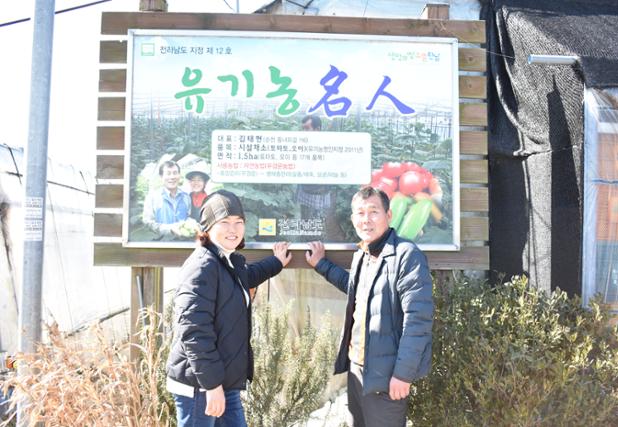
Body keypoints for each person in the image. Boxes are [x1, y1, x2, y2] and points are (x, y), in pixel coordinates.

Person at [305, 186, 433, 427]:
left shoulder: (407, 256)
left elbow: (418, 321)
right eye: (360, 213)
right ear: (353, 219)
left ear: (389, 215)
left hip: (386, 377)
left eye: (373, 212)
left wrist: (403, 375)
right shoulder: (363, 254)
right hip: (357, 369)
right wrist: (321, 265)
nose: (366, 220)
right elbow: (355, 290)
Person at [166, 189, 292, 427]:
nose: (233, 229)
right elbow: (193, 331)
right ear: (208, 227)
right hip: (200, 386)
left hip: (221, 381)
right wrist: (211, 385)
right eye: (224, 222)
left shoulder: (226, 261)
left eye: (238, 222)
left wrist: (275, 262)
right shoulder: (202, 266)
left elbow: (244, 278)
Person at [295, 115, 343, 241]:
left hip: (320, 192)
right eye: (303, 129)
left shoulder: (327, 146)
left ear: (317, 129)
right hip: (305, 189)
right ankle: (304, 245)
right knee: (305, 220)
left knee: (319, 224)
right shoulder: (302, 144)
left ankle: (317, 247)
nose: (304, 132)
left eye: (307, 128)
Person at [142, 160, 191, 235]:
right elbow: (147, 223)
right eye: (168, 173)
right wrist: (169, 229)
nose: (172, 177)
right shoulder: (153, 198)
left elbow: (188, 217)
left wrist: (192, 224)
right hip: (162, 243)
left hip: (183, 243)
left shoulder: (186, 197)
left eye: (175, 173)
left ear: (179, 175)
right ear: (161, 177)